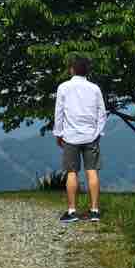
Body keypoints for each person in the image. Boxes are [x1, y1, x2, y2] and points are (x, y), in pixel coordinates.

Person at [53, 54, 106, 223]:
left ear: (72, 69)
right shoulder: (95, 88)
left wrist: (58, 133)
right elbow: (102, 113)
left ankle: (71, 211)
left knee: (71, 173)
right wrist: (97, 132)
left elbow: (59, 113)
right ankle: (95, 211)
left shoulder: (63, 87)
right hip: (91, 136)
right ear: (87, 71)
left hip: (70, 137)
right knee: (92, 171)